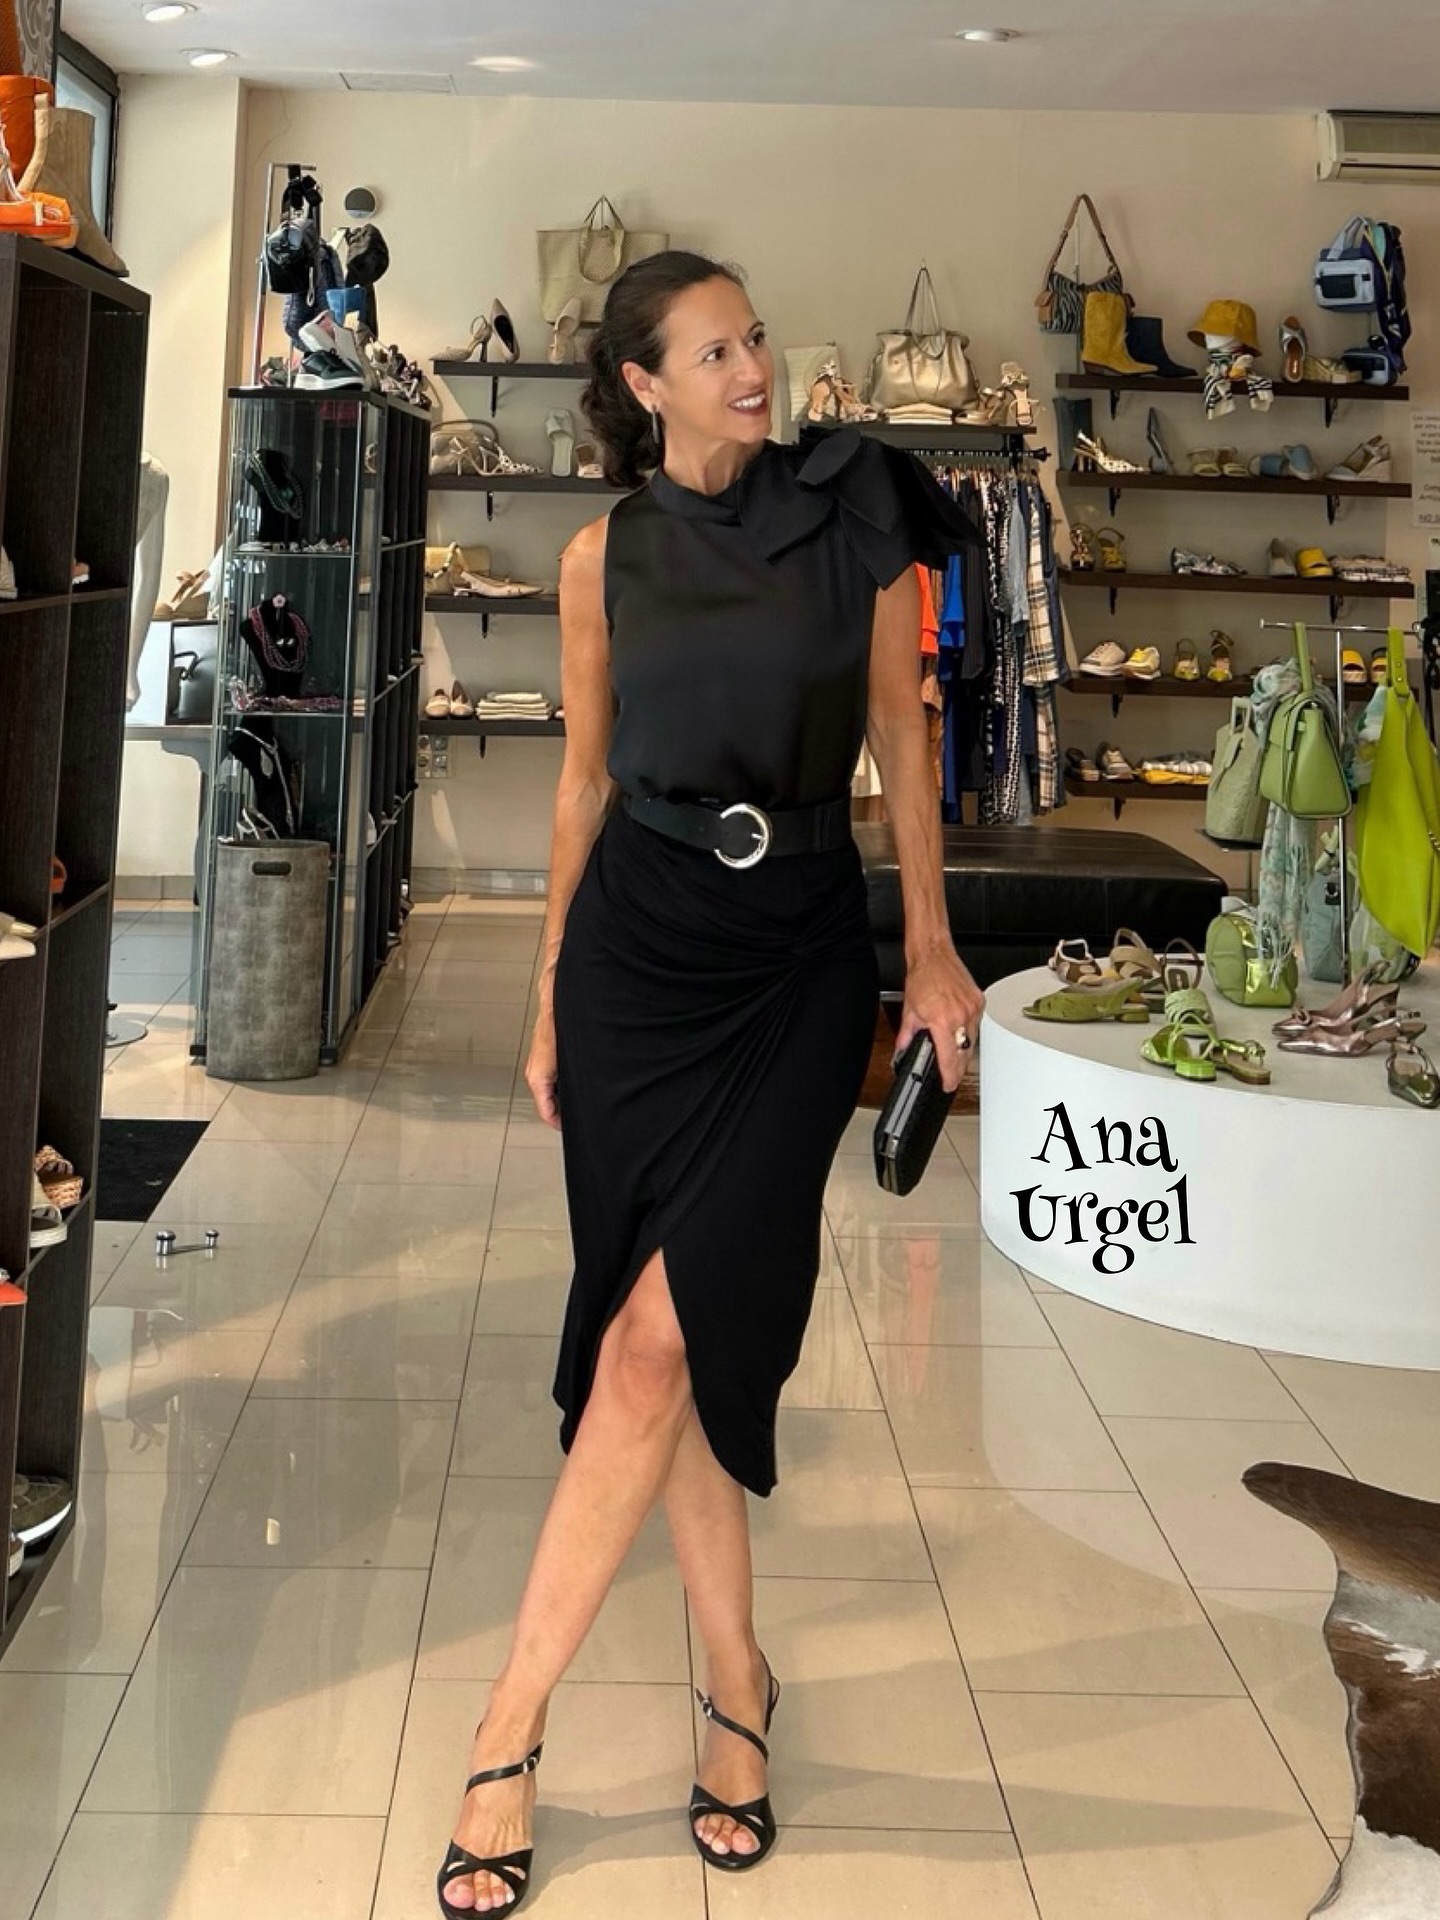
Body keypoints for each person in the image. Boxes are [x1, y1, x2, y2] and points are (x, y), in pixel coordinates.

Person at [437, 251, 985, 1917]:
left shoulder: (853, 517)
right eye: (716, 350)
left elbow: (904, 740)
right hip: (636, 961)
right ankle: (736, 1685)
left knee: (660, 1338)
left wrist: (932, 953)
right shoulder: (602, 557)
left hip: (796, 962)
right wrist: (549, 995)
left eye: (755, 339)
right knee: (654, 1341)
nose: (755, 369)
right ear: (644, 385)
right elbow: (581, 783)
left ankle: (507, 1729)